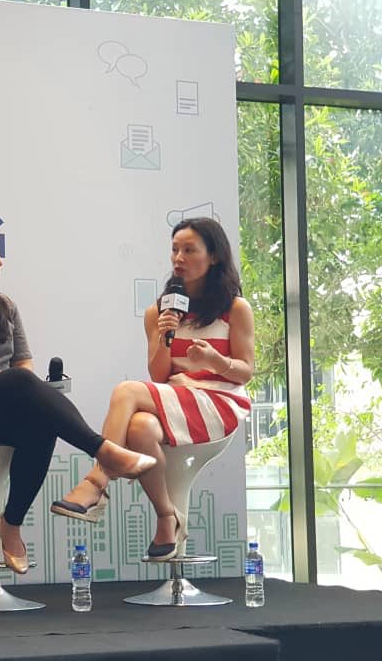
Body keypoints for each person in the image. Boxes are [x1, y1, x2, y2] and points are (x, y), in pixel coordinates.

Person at [0, 220, 156, 574]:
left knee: (41, 421)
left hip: (4, 405)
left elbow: (24, 363)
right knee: (21, 384)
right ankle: (104, 452)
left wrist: (29, 393)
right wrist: (22, 389)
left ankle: (11, 523)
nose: (0, 262)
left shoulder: (5, 306)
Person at [51, 217, 254, 560]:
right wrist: (164, 336)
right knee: (140, 428)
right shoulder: (158, 311)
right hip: (177, 396)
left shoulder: (235, 308)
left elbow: (246, 371)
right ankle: (166, 516)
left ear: (214, 256)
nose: (179, 258)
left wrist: (215, 361)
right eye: (175, 250)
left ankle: (97, 483)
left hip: (220, 399)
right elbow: (160, 375)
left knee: (127, 391)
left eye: (189, 250)